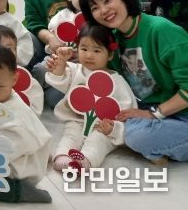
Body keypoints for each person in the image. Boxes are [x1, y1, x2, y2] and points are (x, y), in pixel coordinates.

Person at [80, 0, 188, 163]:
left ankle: (155, 146)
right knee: (112, 123)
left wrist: (153, 114)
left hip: (181, 113)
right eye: (95, 8)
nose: (104, 10)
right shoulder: (113, 38)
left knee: (136, 137)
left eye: (107, 0)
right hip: (149, 109)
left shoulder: (161, 30)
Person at [45, 24, 136, 171]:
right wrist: (61, 62)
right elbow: (58, 79)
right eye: (84, 49)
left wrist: (114, 128)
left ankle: (85, 161)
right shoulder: (75, 69)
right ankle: (63, 156)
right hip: (76, 119)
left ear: (110, 55)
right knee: (71, 134)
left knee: (98, 141)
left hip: (102, 126)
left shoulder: (117, 80)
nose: (89, 55)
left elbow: (127, 110)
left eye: (97, 50)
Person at [0, 45, 52, 203]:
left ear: (14, 79)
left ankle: (21, 191)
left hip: (19, 169)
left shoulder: (16, 113)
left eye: (0, 86)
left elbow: (15, 146)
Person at [0, 26, 44, 116]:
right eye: (7, 49)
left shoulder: (22, 75)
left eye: (15, 48)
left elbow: (35, 104)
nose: (13, 53)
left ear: (14, 78)